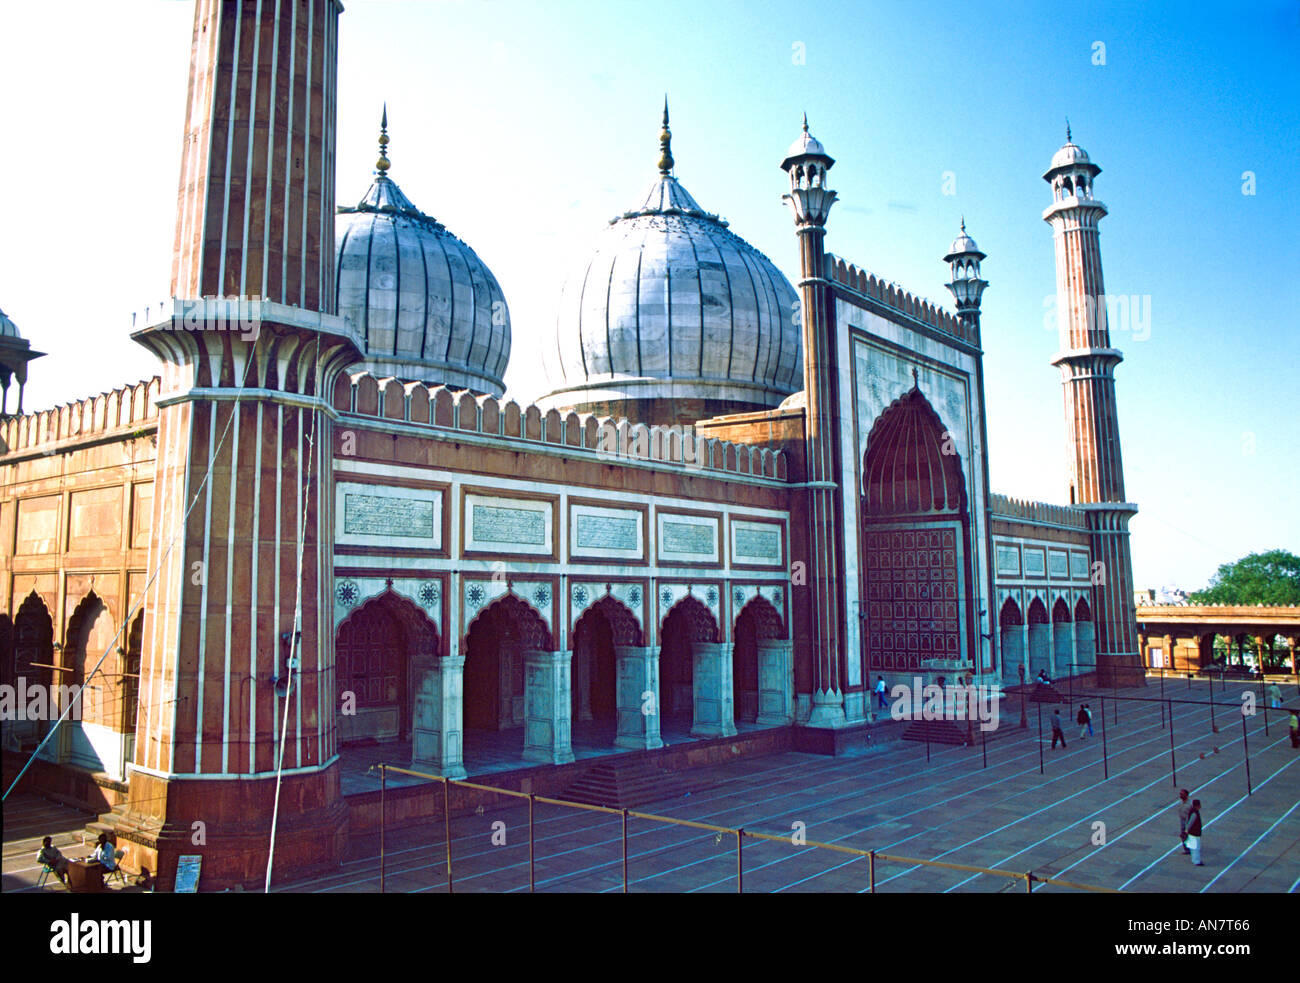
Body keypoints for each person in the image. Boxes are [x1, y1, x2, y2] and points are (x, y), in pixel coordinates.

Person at [1186, 799, 1204, 866]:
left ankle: (1194, 860)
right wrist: (1187, 830)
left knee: (1193, 848)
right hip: (1194, 833)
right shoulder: (1194, 813)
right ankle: (1197, 861)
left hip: (1192, 833)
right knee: (1196, 848)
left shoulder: (1192, 811)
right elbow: (1190, 823)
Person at [1175, 789, 1193, 855]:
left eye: (1182, 794)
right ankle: (1186, 849)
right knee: (1183, 835)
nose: (1180, 795)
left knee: (1188, 835)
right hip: (1182, 820)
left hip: (1187, 820)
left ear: (1186, 795)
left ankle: (1190, 848)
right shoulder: (1181, 802)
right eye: (1180, 794)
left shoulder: (1190, 804)